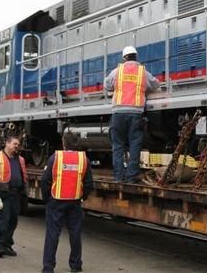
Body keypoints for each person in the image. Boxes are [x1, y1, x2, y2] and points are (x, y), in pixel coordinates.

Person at [105, 46, 159, 183]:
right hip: (136, 113)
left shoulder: (118, 71)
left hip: (118, 113)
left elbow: (107, 85)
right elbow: (155, 84)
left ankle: (118, 177)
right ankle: (131, 176)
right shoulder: (143, 72)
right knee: (135, 144)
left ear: (124, 58)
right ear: (136, 57)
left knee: (118, 146)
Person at [41, 132, 93, 273]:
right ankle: (76, 265)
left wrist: (47, 198)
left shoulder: (55, 158)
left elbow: (45, 180)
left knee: (52, 234)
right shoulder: (84, 159)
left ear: (64, 143)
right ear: (77, 143)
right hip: (75, 202)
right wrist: (82, 197)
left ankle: (48, 267)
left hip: (56, 200)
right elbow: (88, 183)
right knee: (75, 234)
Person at [0, 135, 27, 258]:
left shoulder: (20, 159)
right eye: (14, 144)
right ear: (7, 143)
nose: (16, 146)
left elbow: (23, 175)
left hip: (16, 194)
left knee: (13, 221)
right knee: (4, 220)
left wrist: (24, 191)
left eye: (18, 144)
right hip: (3, 194)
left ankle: (7, 244)